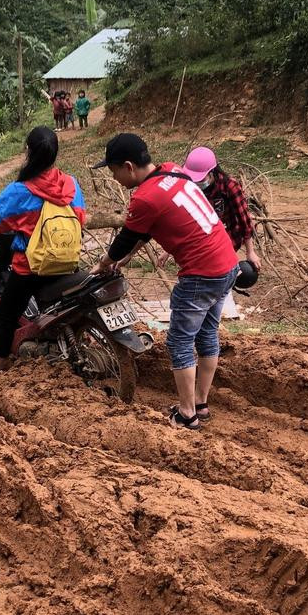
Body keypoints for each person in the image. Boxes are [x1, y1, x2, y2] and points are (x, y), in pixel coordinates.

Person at [93, 133, 238, 430]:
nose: (115, 178)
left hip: (201, 274)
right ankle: (200, 403)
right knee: (207, 334)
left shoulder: (145, 197)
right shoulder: (174, 171)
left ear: (129, 167)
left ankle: (186, 415)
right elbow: (146, 229)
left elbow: (127, 237)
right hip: (227, 266)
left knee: (179, 341)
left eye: (114, 171)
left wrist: (105, 263)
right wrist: (128, 257)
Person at [0, 126, 87, 372]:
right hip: (67, 262)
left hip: (32, 268)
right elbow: (80, 217)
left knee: (5, 316)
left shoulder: (21, 191)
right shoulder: (72, 185)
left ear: (28, 151)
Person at [183, 147, 261, 270]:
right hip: (206, 233)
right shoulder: (192, 188)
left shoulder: (230, 186)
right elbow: (189, 220)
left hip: (230, 232)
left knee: (217, 266)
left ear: (212, 172)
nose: (197, 183)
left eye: (201, 179)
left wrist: (250, 252)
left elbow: (244, 219)